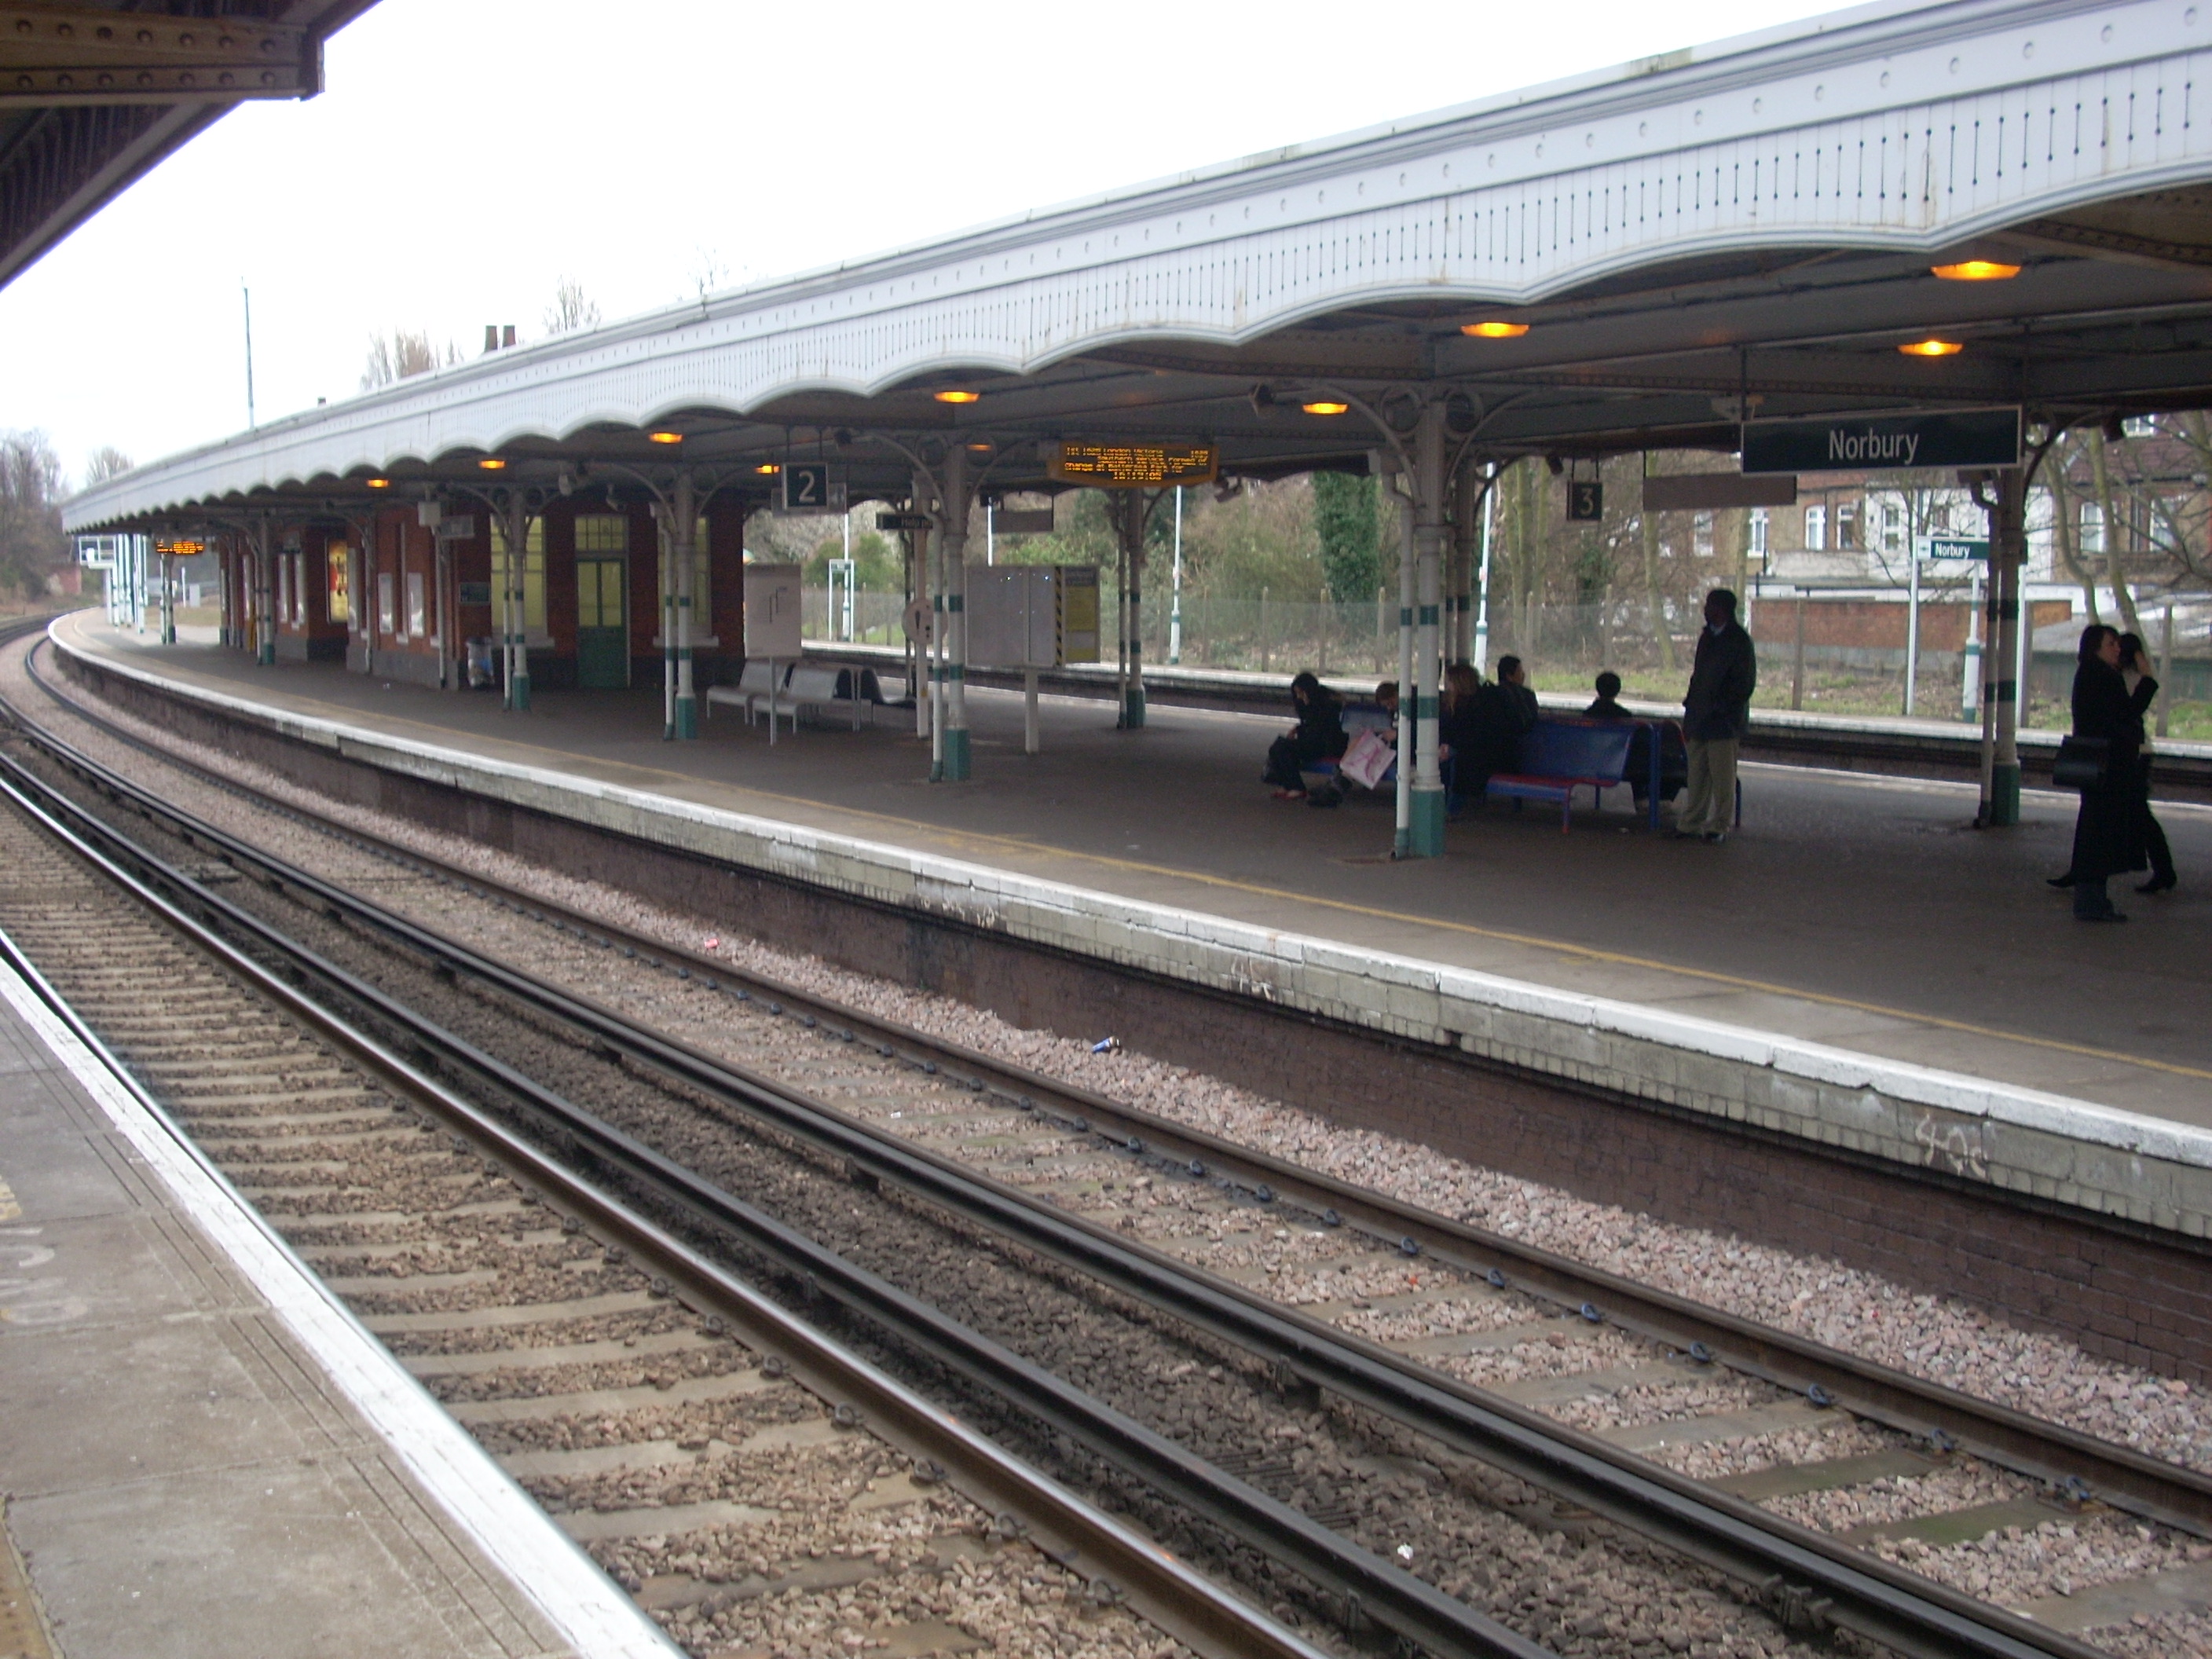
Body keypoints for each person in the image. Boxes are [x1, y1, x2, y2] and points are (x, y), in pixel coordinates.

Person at [2062, 626, 2158, 921]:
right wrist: (2148, 681)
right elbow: (2127, 713)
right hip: (2108, 767)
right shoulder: (2102, 676)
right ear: (2096, 647)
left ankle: (2092, 899)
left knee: (2096, 831)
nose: (2118, 648)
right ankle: (2092, 902)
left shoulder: (2090, 673)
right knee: (2099, 834)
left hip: (2099, 765)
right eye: (2111, 643)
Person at [1675, 588, 1756, 842]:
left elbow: (1744, 684)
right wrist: (1692, 706)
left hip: (1723, 722)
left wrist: (1721, 707)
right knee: (1697, 774)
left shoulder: (1739, 641)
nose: (1705, 610)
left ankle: (1719, 825)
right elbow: (1698, 676)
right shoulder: (1707, 638)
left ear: (1721, 609)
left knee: (1722, 778)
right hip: (1700, 717)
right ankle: (1691, 823)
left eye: (1709, 605)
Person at [2118, 632, 2177, 894]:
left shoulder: (2123, 680)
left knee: (2139, 815)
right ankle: (2163, 870)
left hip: (2135, 754)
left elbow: (2147, 685)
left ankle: (2164, 871)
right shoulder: (2133, 677)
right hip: (2141, 752)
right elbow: (2149, 676)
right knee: (2140, 815)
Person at [1262, 670, 1347, 800]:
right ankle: (1288, 785)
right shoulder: (1307, 704)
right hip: (1313, 742)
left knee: (1282, 748)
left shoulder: (1327, 705)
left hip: (1326, 745)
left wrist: (1306, 715)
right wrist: (1298, 728)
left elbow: (1321, 728)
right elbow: (1309, 725)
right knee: (1278, 747)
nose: (1298, 697)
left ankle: (1297, 787)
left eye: (1300, 693)